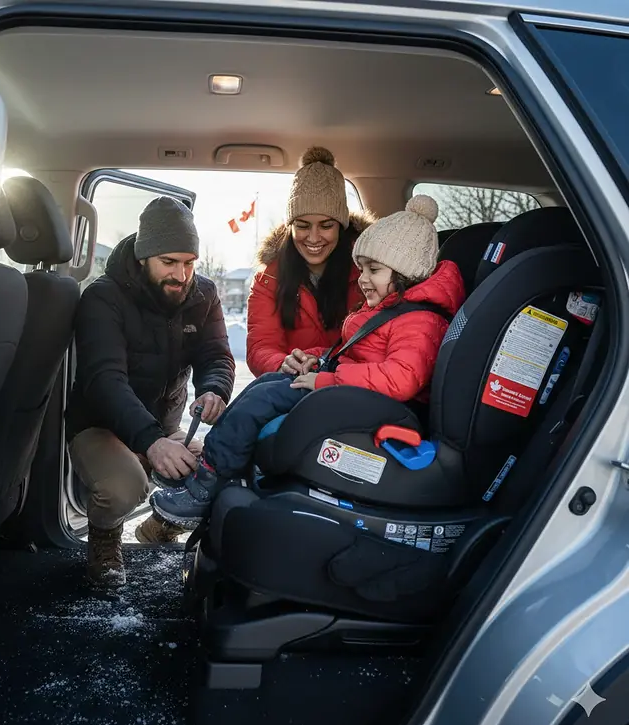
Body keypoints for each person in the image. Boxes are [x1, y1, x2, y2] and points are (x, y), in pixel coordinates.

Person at [150, 194, 466, 525]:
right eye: (361, 269)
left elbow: (400, 379)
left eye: (374, 270)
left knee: (266, 398)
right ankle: (214, 469)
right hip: (355, 391)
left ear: (405, 272)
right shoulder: (389, 308)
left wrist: (327, 379)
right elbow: (351, 352)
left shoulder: (418, 320)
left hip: (376, 405)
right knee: (267, 385)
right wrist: (313, 359)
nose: (363, 279)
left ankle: (206, 486)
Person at [65, 196, 235, 587]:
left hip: (166, 424)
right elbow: (105, 382)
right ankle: (105, 538)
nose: (182, 275)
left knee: (227, 463)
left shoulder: (203, 294)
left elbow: (217, 354)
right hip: (101, 424)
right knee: (124, 487)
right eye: (169, 262)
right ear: (144, 257)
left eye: (190, 263)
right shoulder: (103, 298)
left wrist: (214, 389)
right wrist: (152, 443)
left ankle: (162, 524)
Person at [246, 146, 375, 378]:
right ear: (290, 227)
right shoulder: (269, 279)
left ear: (341, 226)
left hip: (350, 384)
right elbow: (260, 346)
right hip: (290, 385)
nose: (314, 238)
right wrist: (282, 363)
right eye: (303, 226)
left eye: (326, 225)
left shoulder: (371, 271)